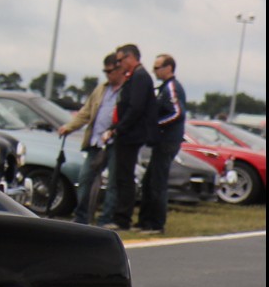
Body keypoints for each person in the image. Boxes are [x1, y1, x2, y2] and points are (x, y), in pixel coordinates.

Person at [58, 53, 123, 225]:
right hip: (95, 142)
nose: (108, 75)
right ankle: (81, 216)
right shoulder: (101, 89)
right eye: (105, 71)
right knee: (85, 178)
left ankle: (106, 218)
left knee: (112, 183)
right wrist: (69, 127)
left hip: (115, 143)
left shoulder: (127, 90)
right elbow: (86, 112)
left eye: (110, 71)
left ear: (119, 69)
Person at [105, 43, 154, 230]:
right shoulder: (134, 76)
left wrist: (119, 128)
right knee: (121, 176)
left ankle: (122, 218)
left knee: (125, 177)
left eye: (120, 60)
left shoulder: (140, 77)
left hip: (131, 135)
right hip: (127, 133)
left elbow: (135, 107)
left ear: (130, 57)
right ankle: (120, 216)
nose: (119, 64)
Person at [135, 54, 186, 234]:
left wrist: (155, 125)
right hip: (161, 141)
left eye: (157, 68)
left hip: (167, 141)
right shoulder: (163, 88)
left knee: (158, 182)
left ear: (168, 68)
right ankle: (144, 221)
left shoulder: (172, 87)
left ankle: (157, 224)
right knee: (149, 181)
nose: (154, 71)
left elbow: (177, 113)